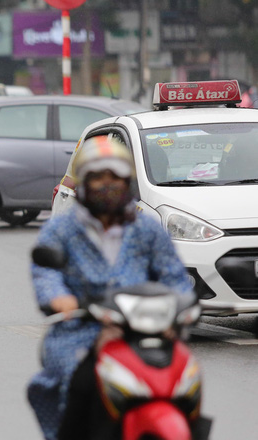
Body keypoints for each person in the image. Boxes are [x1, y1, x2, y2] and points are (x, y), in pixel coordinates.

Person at [27, 135, 192, 440]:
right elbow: (45, 271)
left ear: (127, 179)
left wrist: (181, 305)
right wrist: (59, 299)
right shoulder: (62, 227)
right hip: (81, 328)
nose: (107, 184)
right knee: (81, 383)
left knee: (184, 379)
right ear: (84, 182)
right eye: (98, 176)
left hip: (145, 327)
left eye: (114, 176)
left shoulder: (147, 228)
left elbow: (173, 275)